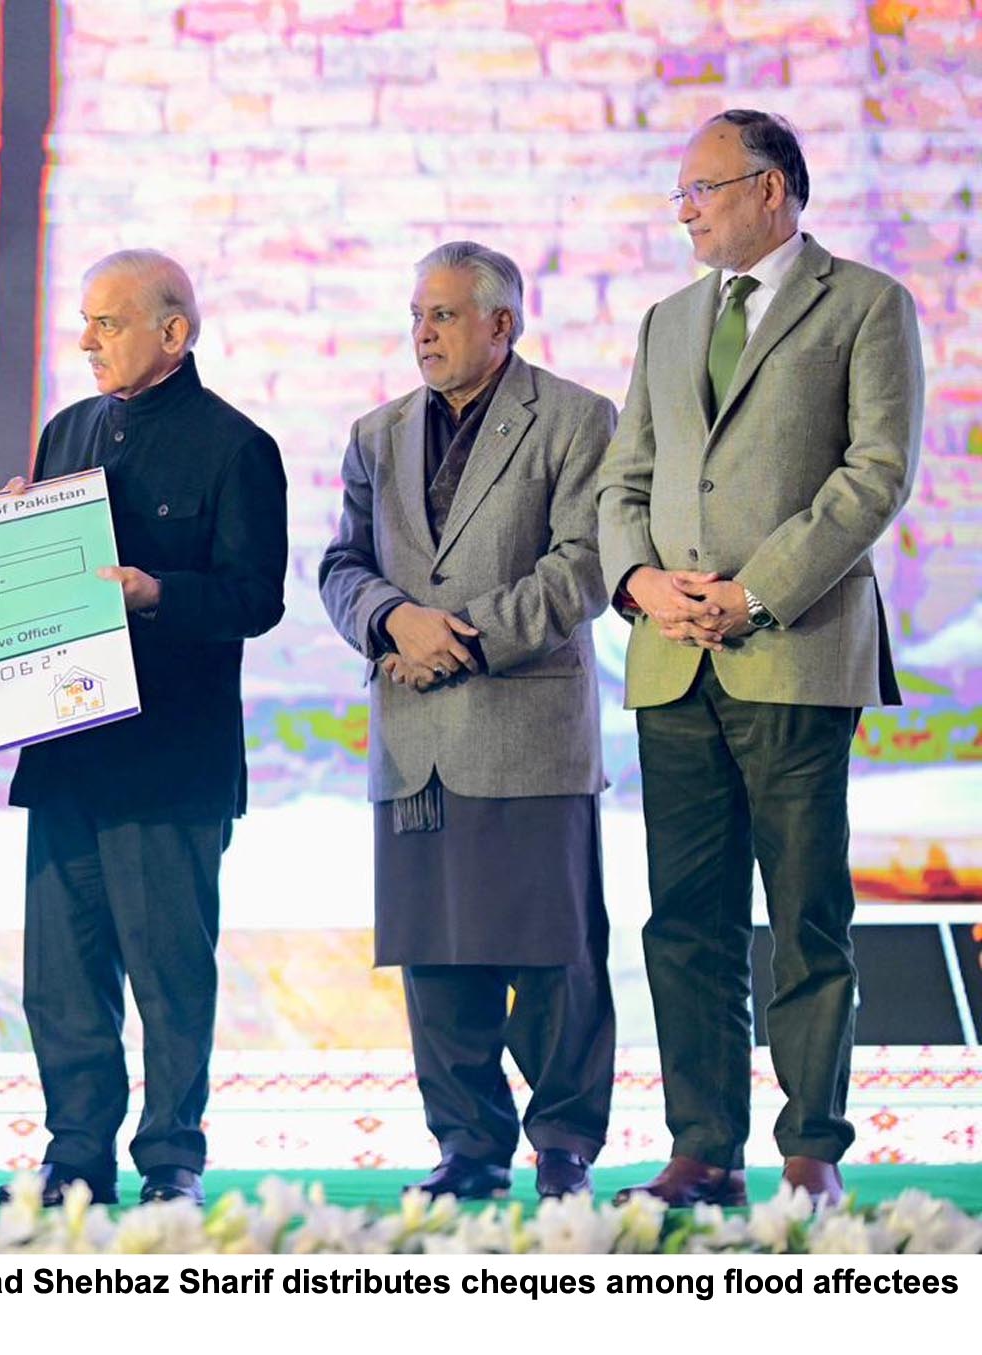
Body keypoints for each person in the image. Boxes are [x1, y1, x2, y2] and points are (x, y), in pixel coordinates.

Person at [598, 111, 924, 1209]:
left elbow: (875, 474)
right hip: (671, 660)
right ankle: (703, 1151)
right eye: (681, 193)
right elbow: (623, 480)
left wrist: (755, 591)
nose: (684, 210)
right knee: (683, 919)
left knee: (805, 915)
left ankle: (811, 1150)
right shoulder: (667, 320)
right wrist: (640, 583)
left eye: (702, 188)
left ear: (771, 188)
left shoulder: (867, 303)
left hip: (793, 649)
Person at [319, 242, 617, 1201]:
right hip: (416, 737)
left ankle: (564, 1146)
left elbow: (585, 566)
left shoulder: (576, 418)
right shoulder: (376, 433)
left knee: (555, 954)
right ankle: (469, 1149)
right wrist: (389, 620)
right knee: (436, 957)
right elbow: (341, 565)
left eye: (443, 315)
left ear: (502, 324)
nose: (423, 333)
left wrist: (459, 638)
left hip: (528, 729)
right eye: (416, 315)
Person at [1, 250, 288, 1208]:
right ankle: (74, 1154)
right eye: (84, 320)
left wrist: (157, 593)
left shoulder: (237, 447)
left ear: (174, 332)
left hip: (172, 760)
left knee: (170, 978)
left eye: (108, 322)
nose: (85, 340)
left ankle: (172, 1159)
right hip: (69, 753)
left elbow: (256, 598)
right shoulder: (67, 430)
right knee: (61, 977)